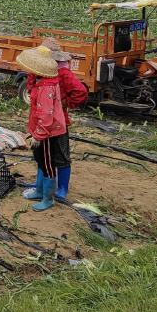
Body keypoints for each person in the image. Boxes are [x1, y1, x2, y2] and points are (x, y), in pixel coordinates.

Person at [16, 46, 68, 212]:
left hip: (47, 133)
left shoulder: (46, 88)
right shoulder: (41, 82)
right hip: (41, 130)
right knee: (40, 160)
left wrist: (38, 135)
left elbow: (46, 116)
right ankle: (39, 191)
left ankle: (48, 198)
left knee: (47, 164)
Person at [39, 37, 88, 202]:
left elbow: (80, 91)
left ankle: (62, 189)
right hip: (42, 121)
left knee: (61, 155)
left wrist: (65, 103)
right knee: (43, 154)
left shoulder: (63, 73)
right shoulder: (40, 71)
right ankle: (42, 185)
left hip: (58, 121)